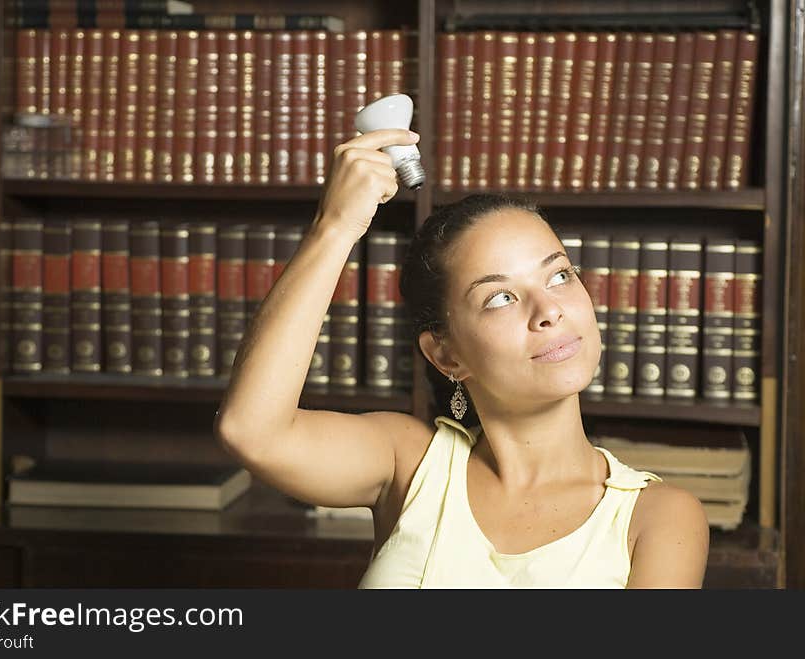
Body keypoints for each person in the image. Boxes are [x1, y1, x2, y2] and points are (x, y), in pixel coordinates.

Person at [214, 129, 710, 589]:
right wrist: (335, 228)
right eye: (500, 298)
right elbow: (251, 430)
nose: (549, 311)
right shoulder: (408, 463)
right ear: (446, 355)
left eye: (559, 275)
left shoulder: (659, 518)